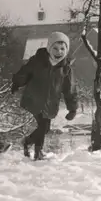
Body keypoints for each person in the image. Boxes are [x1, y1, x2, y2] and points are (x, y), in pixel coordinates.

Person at [11, 31, 78, 160]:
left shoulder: (66, 69)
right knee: (43, 126)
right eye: (55, 48)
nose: (59, 52)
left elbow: (70, 89)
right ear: (49, 48)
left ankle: (28, 142)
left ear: (67, 50)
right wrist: (17, 83)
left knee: (45, 128)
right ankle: (38, 152)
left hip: (50, 102)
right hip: (34, 98)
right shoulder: (38, 61)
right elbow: (25, 72)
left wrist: (73, 107)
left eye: (62, 49)